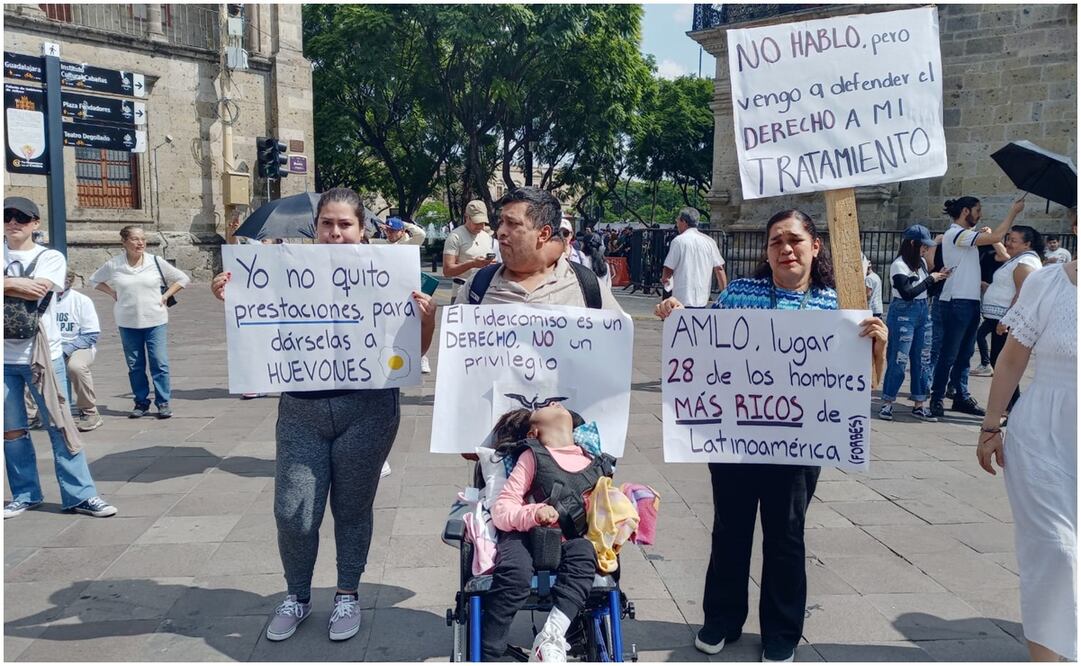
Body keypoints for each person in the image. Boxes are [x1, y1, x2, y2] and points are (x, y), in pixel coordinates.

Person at [655, 209, 886, 663]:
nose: (786, 249)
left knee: (787, 535)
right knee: (729, 530)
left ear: (815, 246)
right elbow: (705, 347)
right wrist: (677, 316)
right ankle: (722, 618)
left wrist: (877, 345)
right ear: (766, 250)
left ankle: (782, 631)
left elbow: (866, 382)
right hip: (735, 441)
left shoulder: (837, 304)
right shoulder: (740, 291)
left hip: (799, 446)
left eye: (795, 240)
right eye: (776, 241)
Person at [211, 187, 436, 643]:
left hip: (368, 410)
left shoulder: (390, 275)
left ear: (362, 230)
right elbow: (259, 323)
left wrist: (425, 316)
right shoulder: (285, 272)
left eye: (345, 225)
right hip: (301, 410)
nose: (336, 233)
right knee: (293, 512)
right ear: (315, 229)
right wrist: (231, 296)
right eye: (327, 224)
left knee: (352, 509)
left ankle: (347, 594)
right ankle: (297, 595)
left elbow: (417, 348)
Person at [976, 238, 1076, 662]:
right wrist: (990, 424)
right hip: (1043, 435)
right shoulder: (1047, 284)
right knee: (1056, 551)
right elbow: (1012, 359)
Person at [3, 196, 117, 519]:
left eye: (21, 218)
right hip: (4, 358)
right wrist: (15, 283)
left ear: (35, 224)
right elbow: (28, 288)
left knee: (61, 425)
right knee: (11, 430)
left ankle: (81, 495)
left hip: (43, 355)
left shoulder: (50, 257)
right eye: (7, 216)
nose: (12, 222)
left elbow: (41, 289)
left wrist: (5, 284)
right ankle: (25, 493)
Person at [482, 403, 614, 661]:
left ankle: (552, 635)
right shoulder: (532, 455)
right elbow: (502, 509)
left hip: (570, 539)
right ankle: (489, 650)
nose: (553, 402)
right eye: (544, 406)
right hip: (524, 534)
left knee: (585, 553)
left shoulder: (595, 462)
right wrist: (534, 513)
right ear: (534, 433)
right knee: (515, 574)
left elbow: (603, 515)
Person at [929, 197, 1024, 418]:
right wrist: (1013, 212)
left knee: (965, 354)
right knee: (949, 353)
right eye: (977, 210)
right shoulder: (956, 233)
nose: (980, 214)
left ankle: (961, 395)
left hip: (969, 301)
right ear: (965, 211)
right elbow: (997, 237)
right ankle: (937, 397)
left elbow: (997, 247)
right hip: (956, 301)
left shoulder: (964, 237)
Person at [457, 187, 622, 313]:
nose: (501, 231)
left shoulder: (588, 287)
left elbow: (613, 346)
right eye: (501, 222)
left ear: (544, 233)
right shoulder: (477, 286)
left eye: (512, 223)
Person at [89, 226, 190, 419]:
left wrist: (166, 296)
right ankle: (141, 402)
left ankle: (163, 402)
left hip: (155, 320)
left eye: (143, 239)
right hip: (127, 322)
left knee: (159, 362)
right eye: (135, 239)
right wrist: (111, 293)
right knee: (135, 365)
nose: (140, 243)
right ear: (124, 242)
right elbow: (95, 280)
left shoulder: (155, 261)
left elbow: (182, 278)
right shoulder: (114, 264)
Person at [879, 225, 951, 422]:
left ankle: (919, 403)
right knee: (899, 359)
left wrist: (939, 277)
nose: (925, 249)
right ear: (912, 244)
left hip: (922, 312)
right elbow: (907, 293)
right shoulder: (899, 265)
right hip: (904, 312)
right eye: (923, 246)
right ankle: (887, 402)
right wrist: (930, 279)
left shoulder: (920, 263)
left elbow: (924, 290)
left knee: (922, 359)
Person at [980, 225, 1044, 415]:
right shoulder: (1018, 259)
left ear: (1027, 244)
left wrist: (1007, 319)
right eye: (1008, 239)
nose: (1008, 243)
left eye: (1013, 241)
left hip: (1005, 321)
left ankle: (1013, 408)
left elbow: (1022, 294)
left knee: (1003, 366)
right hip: (998, 318)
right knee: (999, 363)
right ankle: (1011, 408)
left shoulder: (1025, 263)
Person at [54, 269, 104, 431]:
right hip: (49, 346)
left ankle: (90, 411)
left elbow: (90, 335)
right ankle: (32, 414)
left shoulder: (82, 301)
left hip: (78, 346)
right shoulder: (42, 299)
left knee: (76, 367)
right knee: (28, 364)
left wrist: (65, 351)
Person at [384, 216, 431, 376]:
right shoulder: (384, 244)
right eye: (388, 230)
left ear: (401, 231)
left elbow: (421, 234)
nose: (389, 233)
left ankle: (423, 357)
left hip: (409, 289)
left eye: (393, 230)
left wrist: (405, 224)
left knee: (415, 322)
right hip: (391, 289)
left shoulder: (409, 243)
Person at [661, 208, 726, 308]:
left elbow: (669, 267)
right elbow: (719, 269)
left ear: (684, 222)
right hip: (702, 298)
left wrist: (665, 279)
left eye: (678, 220)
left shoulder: (678, 241)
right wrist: (724, 294)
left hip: (681, 299)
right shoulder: (709, 241)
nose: (677, 223)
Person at [443, 199, 496, 303]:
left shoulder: (486, 236)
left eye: (483, 222)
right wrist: (472, 264)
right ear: (466, 217)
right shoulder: (455, 237)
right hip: (461, 292)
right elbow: (447, 271)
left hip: (484, 292)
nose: (480, 226)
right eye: (477, 222)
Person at [971, 242, 1010, 377]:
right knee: (983, 336)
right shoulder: (986, 256)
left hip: (1000, 311)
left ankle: (988, 364)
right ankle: (988, 364)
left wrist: (993, 238)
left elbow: (1005, 256)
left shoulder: (1004, 260)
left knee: (983, 336)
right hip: (992, 309)